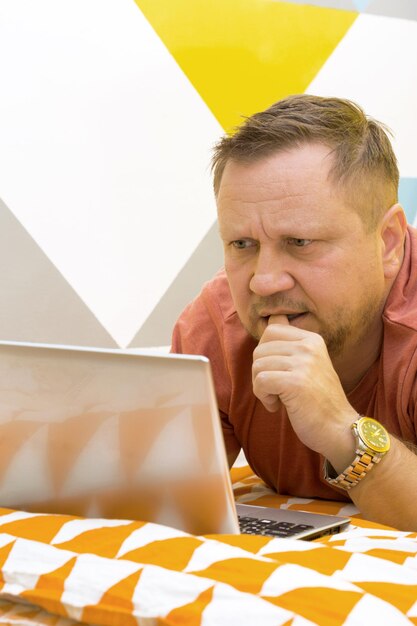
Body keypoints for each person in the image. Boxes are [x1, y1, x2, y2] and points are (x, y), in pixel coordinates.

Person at [171, 94, 417, 531]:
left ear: (389, 243)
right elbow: (164, 498)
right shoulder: (215, 326)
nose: (264, 282)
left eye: (300, 243)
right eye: (242, 245)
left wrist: (342, 431)